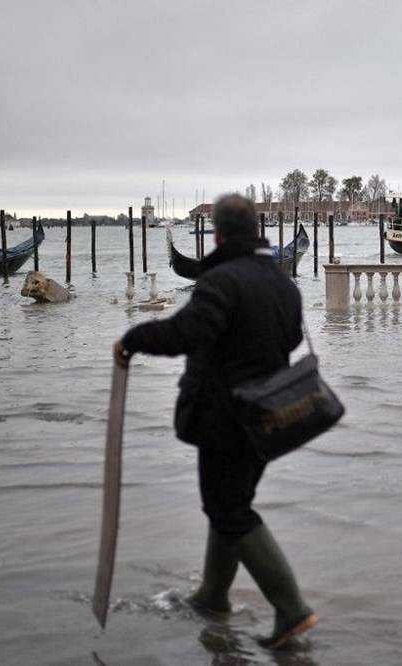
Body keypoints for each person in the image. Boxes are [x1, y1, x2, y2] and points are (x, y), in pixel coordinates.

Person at [112, 193, 317, 650]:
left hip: (225, 417)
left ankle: (292, 609)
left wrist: (134, 337)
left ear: (220, 234)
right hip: (268, 415)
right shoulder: (283, 283)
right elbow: (287, 339)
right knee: (229, 502)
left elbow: (188, 332)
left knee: (229, 509)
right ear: (256, 230)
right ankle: (213, 595)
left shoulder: (221, 278)